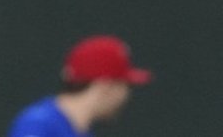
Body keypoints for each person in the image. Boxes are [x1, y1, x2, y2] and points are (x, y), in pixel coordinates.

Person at [8, 35, 151, 137]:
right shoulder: (38, 123)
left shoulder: (81, 130)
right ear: (105, 86)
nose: (126, 95)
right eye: (125, 86)